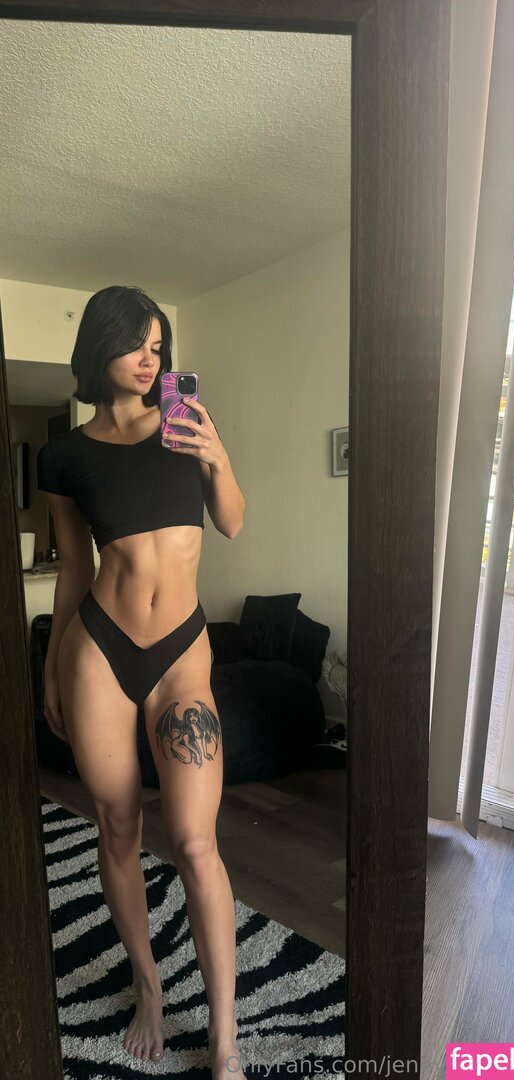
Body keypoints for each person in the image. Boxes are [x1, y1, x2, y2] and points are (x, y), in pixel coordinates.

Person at [37, 285, 247, 1077]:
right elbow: (72, 570)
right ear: (101, 347)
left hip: (181, 654)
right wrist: (52, 668)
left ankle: (224, 1040)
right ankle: (149, 987)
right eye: (135, 344)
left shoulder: (187, 425)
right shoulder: (64, 456)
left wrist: (216, 456)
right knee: (117, 827)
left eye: (159, 346)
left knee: (195, 841)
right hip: (99, 650)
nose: (150, 359)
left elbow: (232, 520)